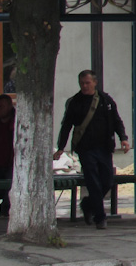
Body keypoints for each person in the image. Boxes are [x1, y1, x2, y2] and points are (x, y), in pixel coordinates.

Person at [54, 70, 129, 229]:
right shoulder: (76, 102)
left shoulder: (105, 100)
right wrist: (61, 147)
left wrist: (123, 138)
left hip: (105, 147)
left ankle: (88, 205)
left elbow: (116, 120)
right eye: (82, 83)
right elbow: (66, 125)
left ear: (95, 82)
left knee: (107, 181)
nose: (85, 86)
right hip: (86, 148)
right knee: (93, 182)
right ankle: (100, 218)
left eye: (87, 83)